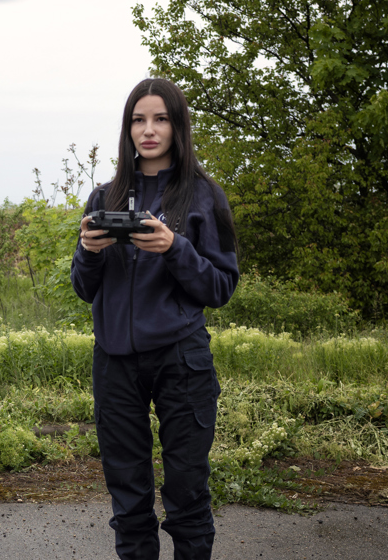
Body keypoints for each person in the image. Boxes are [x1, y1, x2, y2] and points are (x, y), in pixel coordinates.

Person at [72, 78, 239, 560]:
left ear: (177, 126)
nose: (149, 130)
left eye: (160, 119)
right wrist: (89, 250)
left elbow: (221, 287)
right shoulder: (104, 197)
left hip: (180, 359)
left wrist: (174, 247)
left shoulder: (206, 197)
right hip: (115, 364)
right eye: (138, 120)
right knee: (128, 501)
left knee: (187, 496)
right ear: (127, 130)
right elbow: (84, 288)